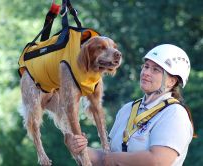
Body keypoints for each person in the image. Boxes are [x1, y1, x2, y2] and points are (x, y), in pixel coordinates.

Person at [65, 44, 196, 166]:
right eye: (146, 66)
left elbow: (158, 160)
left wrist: (114, 158)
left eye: (156, 70)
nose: (146, 72)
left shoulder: (174, 113)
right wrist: (79, 149)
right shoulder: (128, 109)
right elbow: (106, 157)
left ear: (171, 81)